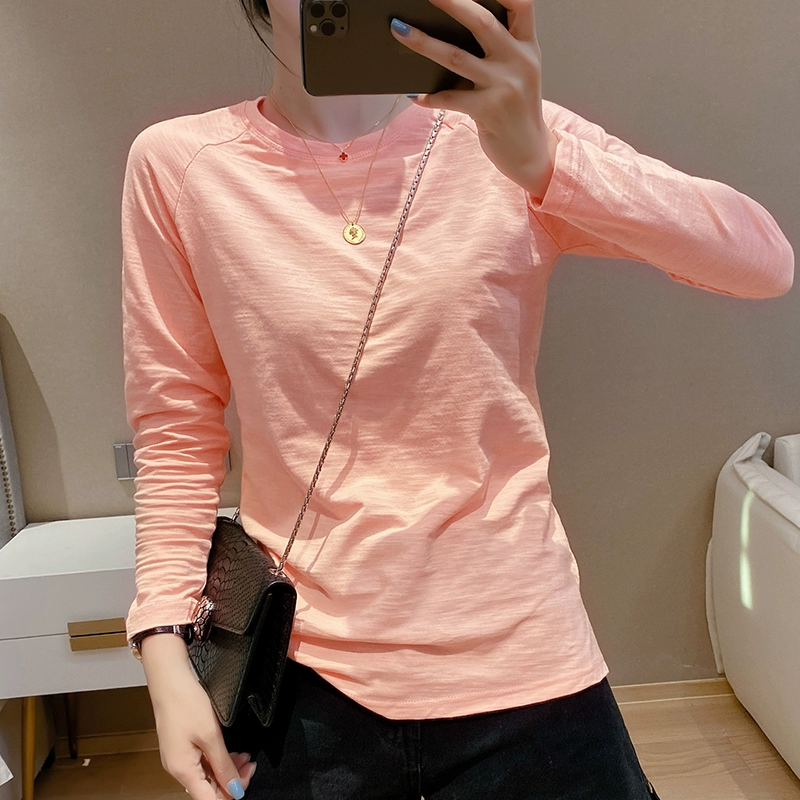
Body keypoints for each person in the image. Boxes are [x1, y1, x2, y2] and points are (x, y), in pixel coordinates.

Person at [120, 0, 794, 798]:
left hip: (525, 654)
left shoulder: (505, 137)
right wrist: (163, 646)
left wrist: (545, 162)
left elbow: (762, 261)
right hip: (309, 667)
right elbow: (177, 426)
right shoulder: (181, 166)